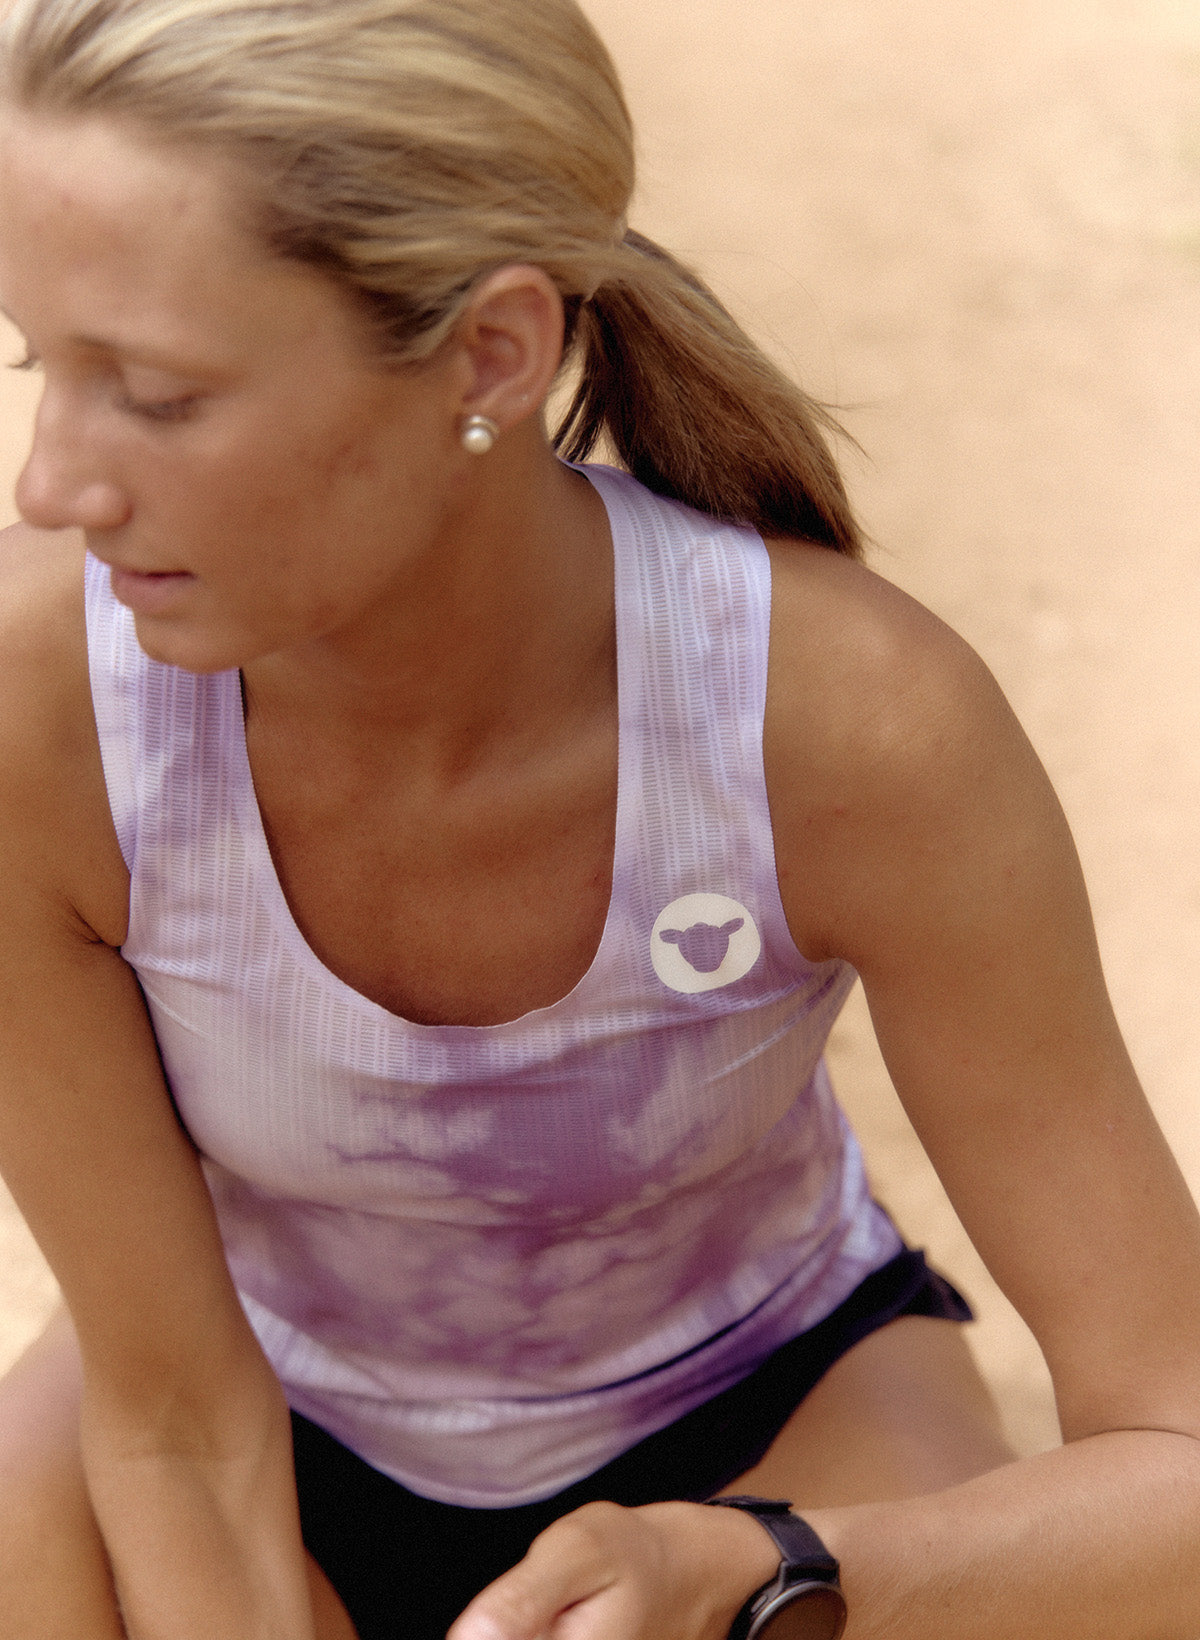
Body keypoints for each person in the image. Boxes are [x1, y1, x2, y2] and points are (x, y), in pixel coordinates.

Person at [0, 0, 1198, 1636]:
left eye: (153, 392)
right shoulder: (38, 719)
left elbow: (1177, 1466)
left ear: (493, 354)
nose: (50, 485)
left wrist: (775, 1571)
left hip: (762, 1407)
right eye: (39, 364)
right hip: (244, 1402)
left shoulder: (851, 725)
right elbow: (171, 1413)